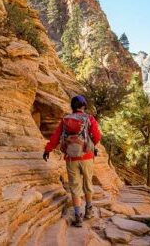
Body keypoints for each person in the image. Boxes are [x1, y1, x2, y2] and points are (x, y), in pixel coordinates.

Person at [43, 95, 101, 227]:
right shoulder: (89, 118)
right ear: (83, 106)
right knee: (88, 183)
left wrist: (48, 149)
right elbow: (97, 136)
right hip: (87, 157)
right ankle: (89, 211)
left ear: (72, 106)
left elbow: (56, 137)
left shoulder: (65, 120)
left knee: (75, 187)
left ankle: (77, 216)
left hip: (71, 158)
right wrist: (91, 146)